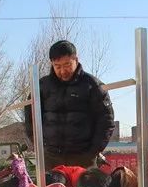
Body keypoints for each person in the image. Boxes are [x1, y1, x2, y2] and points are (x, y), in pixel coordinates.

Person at [24, 40, 115, 170]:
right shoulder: (41, 87)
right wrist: (40, 147)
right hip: (50, 158)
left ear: (76, 59)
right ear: (52, 64)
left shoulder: (92, 85)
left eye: (67, 64)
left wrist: (92, 152)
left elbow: (106, 121)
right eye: (57, 66)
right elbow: (30, 120)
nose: (63, 71)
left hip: (83, 158)